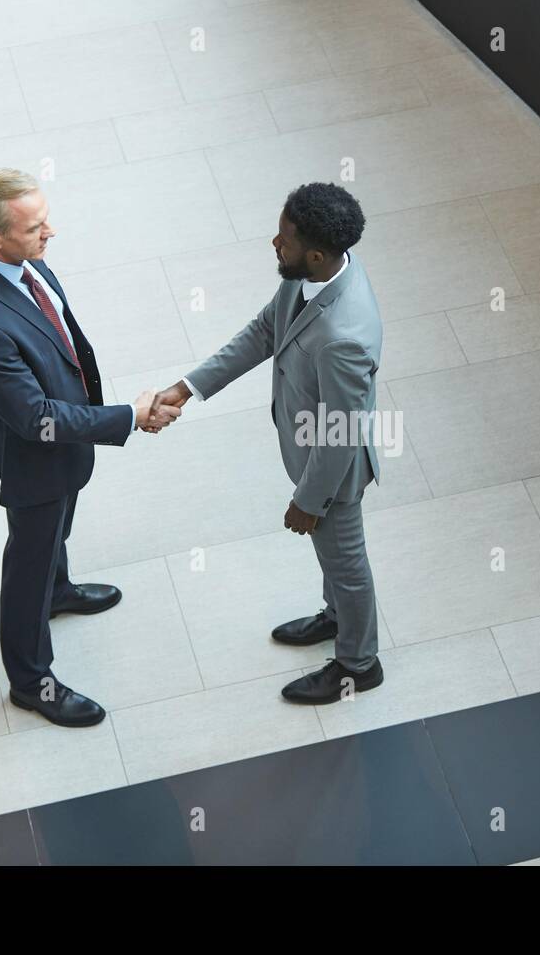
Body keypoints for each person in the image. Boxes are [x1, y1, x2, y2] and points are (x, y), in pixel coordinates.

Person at [0, 168, 179, 728]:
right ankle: (32, 680)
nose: (51, 232)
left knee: (57, 527)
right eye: (35, 227)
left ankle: (59, 588)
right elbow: (34, 419)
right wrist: (128, 415)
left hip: (59, 431)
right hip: (35, 450)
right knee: (30, 552)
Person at [152, 182, 385, 704]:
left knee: (346, 565)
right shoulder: (310, 276)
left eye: (284, 239)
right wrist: (188, 387)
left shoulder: (345, 336)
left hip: (331, 475)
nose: (273, 245)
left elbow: (341, 431)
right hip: (309, 452)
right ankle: (335, 618)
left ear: (318, 253)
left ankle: (358, 663)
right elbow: (264, 332)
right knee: (335, 562)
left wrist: (309, 499)